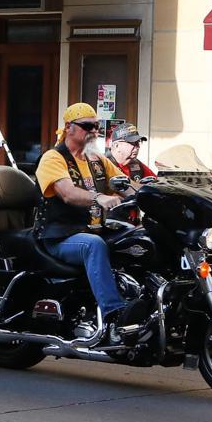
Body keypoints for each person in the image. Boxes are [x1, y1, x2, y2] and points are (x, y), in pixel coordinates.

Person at [34, 102, 128, 339]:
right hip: (59, 236)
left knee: (135, 239)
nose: (94, 132)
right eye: (88, 126)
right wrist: (100, 197)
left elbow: (128, 187)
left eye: (97, 127)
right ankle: (115, 317)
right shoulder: (53, 158)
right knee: (93, 245)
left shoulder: (97, 161)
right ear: (69, 127)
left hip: (93, 230)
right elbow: (67, 192)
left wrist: (157, 192)